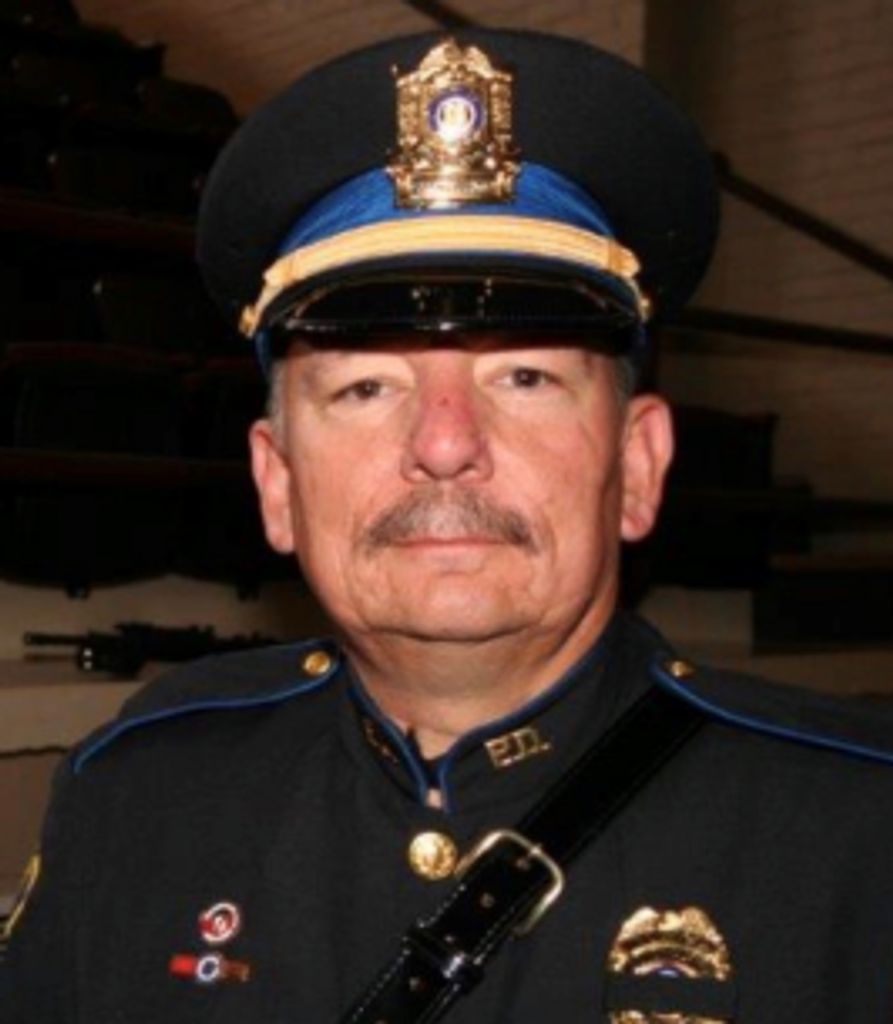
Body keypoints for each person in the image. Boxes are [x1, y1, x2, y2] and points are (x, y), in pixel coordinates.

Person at [3, 29, 893, 1024]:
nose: (442, 443)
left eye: (524, 377)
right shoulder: (137, 797)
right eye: (365, 386)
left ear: (637, 467)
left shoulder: (858, 838)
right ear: (277, 482)